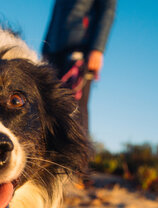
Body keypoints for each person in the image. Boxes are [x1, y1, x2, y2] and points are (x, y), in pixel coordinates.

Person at [42, 0, 116, 140]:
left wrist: (97, 49)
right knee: (50, 106)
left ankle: (80, 161)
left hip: (80, 47)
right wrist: (45, 49)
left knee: (76, 108)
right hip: (54, 52)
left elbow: (108, 12)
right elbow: (55, 16)